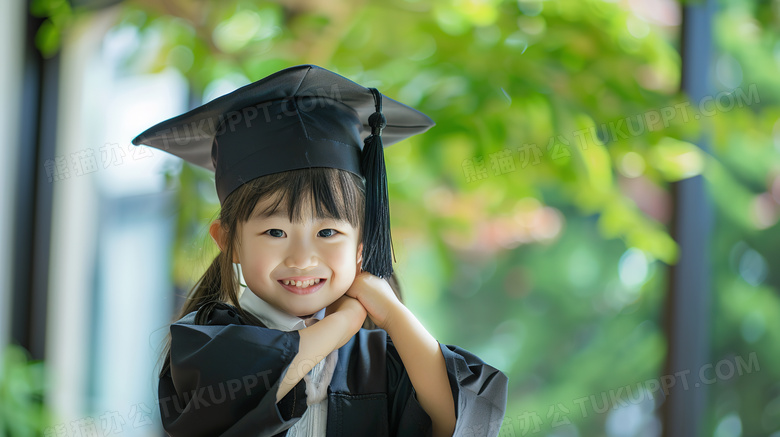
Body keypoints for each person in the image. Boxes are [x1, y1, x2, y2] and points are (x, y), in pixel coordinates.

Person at [132, 64, 508, 437]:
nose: (302, 259)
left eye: (327, 231)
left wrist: (389, 310)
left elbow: (457, 419)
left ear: (363, 245)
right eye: (275, 231)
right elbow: (254, 385)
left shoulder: (376, 359)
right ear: (228, 241)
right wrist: (343, 322)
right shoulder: (207, 342)